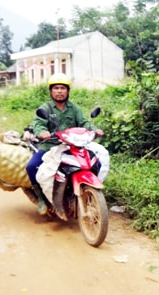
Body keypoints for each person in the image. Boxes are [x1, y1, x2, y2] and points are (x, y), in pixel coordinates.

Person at [26, 73, 103, 219]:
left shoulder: (73, 108)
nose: (59, 91)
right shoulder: (45, 108)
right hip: (50, 146)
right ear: (51, 91)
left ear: (67, 91)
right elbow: (38, 123)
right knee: (31, 166)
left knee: (95, 162)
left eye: (62, 88)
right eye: (56, 88)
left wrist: (93, 129)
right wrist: (42, 132)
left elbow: (84, 122)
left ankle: (88, 191)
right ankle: (42, 199)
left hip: (72, 146)